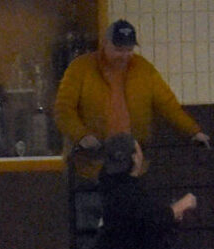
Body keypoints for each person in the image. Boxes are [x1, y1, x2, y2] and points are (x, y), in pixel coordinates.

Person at [51, 17, 209, 167]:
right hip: (92, 163)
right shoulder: (81, 68)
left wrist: (193, 131)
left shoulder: (143, 69)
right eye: (119, 50)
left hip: (133, 162)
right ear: (104, 43)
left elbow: (168, 106)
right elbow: (63, 109)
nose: (125, 55)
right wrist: (82, 136)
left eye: (129, 49)